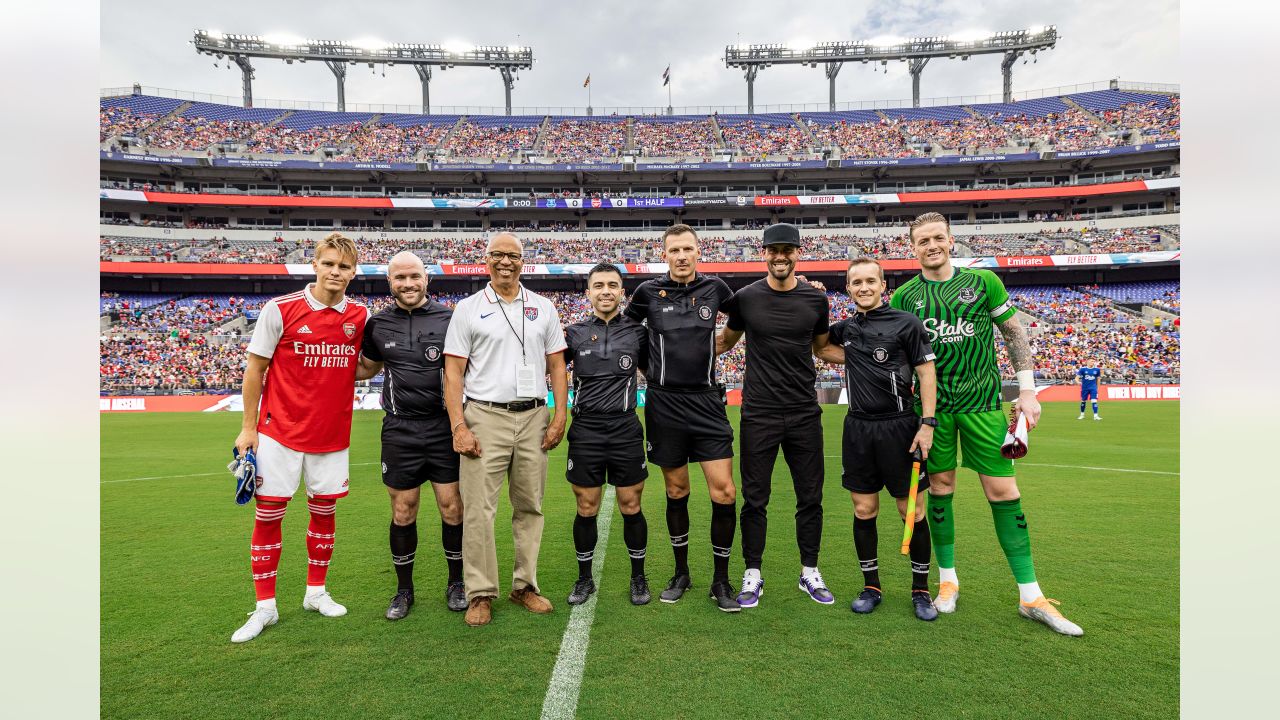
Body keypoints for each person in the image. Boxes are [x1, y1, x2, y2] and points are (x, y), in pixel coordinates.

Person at [890, 212, 1083, 636]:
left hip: (982, 405)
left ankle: (1030, 594)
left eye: (938, 237)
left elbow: (1014, 334)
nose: (932, 246)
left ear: (951, 240)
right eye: (923, 241)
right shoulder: (904, 296)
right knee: (940, 490)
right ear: (913, 247)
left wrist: (1028, 391)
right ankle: (948, 581)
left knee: (1003, 491)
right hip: (934, 413)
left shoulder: (983, 283)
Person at [229, 233, 370, 643]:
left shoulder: (360, 316)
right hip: (279, 434)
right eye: (328, 263)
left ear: (353, 272)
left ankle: (315, 593)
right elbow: (255, 370)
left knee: (324, 512)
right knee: (269, 515)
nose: (335, 272)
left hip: (332, 434)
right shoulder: (281, 309)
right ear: (315, 264)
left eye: (343, 266)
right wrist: (248, 427)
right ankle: (265, 607)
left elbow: (360, 366)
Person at [443, 232, 569, 627]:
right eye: (497, 255)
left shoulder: (543, 307)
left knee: (530, 506)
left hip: (533, 416)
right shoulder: (467, 308)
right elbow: (453, 372)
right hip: (485, 415)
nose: (505, 262)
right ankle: (480, 592)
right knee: (479, 509)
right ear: (486, 260)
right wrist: (458, 425)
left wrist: (560, 414)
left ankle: (524, 586)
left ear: (522, 261)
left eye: (512, 255)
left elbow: (556, 366)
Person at [715, 223, 835, 608]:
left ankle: (809, 571)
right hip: (759, 413)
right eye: (773, 250)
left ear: (798, 252)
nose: (780, 256)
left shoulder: (817, 301)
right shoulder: (746, 298)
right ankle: (753, 572)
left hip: (803, 412)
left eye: (788, 249)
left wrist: (880, 358)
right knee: (754, 498)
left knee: (810, 496)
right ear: (763, 253)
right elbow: (723, 342)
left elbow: (822, 349)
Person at [624, 224, 741, 612]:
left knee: (724, 491)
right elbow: (629, 334)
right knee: (677, 491)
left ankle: (721, 580)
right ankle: (681, 573)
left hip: (707, 403)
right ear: (665, 254)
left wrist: (722, 344)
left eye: (688, 249)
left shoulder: (716, 289)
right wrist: (651, 370)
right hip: (664, 404)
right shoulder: (646, 293)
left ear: (697, 252)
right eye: (674, 250)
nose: (681, 256)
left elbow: (740, 318)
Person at [815, 257, 939, 621]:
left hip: (901, 428)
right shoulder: (846, 328)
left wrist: (927, 423)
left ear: (883, 285)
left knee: (911, 511)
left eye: (871, 281)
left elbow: (926, 372)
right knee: (864, 509)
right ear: (849, 288)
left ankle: (920, 590)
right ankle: (871, 587)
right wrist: (820, 309)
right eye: (856, 282)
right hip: (858, 429)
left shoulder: (907, 323)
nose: (864, 287)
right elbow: (821, 348)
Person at [356, 252, 465, 620]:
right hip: (400, 429)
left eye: (414, 276)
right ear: (390, 283)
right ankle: (404, 591)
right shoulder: (377, 324)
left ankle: (456, 583)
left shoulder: (451, 319)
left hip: (443, 427)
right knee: (403, 510)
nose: (408, 284)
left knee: (452, 507)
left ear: (427, 278)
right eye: (399, 278)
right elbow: (365, 368)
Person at [562, 263, 652, 606]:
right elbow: (549, 369)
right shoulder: (573, 332)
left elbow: (655, 373)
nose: (605, 291)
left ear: (621, 292)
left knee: (631, 504)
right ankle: (584, 579)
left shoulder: (637, 332)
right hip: (585, 429)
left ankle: (638, 577)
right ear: (588, 292)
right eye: (598, 285)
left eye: (612, 285)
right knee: (587, 506)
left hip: (625, 427)